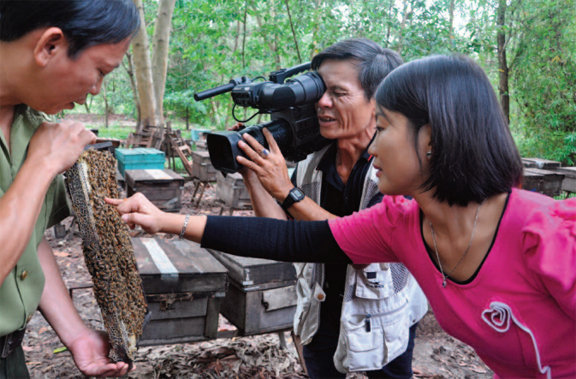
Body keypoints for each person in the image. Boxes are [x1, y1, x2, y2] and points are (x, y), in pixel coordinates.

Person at [109, 54, 576, 378]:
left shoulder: (551, 239)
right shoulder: (400, 222)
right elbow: (291, 241)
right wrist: (166, 221)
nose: (374, 144)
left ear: (430, 139)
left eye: (386, 127)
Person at [235, 38, 427, 378]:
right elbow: (279, 232)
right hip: (322, 305)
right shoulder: (314, 163)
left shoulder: (398, 168)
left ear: (377, 101)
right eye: (319, 91)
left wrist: (289, 192)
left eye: (339, 94)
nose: (323, 103)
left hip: (384, 313)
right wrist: (252, 169)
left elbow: (367, 248)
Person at [0, 1, 140, 377]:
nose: (94, 91)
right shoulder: (41, 148)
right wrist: (42, 164)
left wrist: (76, 333)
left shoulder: (30, 123)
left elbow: (24, 237)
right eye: (99, 72)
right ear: (50, 46)